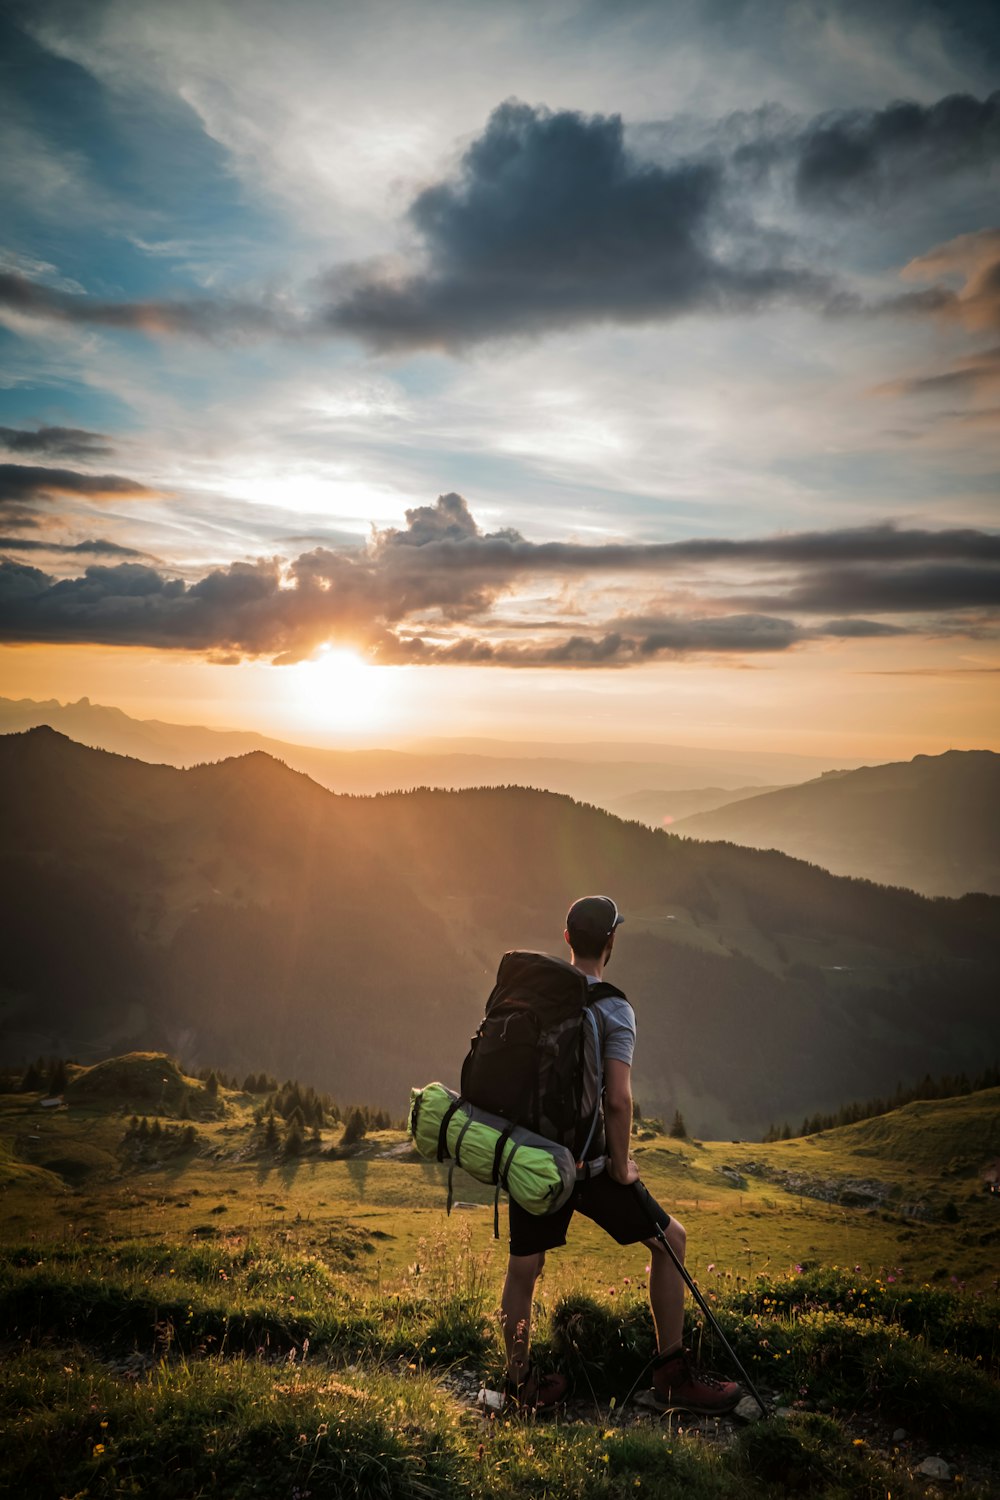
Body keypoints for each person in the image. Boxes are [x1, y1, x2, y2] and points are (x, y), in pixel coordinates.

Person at [500, 894, 741, 1415]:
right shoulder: (613, 1006)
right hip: (589, 1166)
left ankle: (520, 1387)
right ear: (611, 942)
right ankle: (672, 1377)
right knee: (670, 1240)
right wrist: (621, 1164)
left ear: (566, 939)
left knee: (524, 1269)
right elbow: (617, 1098)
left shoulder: (533, 993)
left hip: (534, 1159)